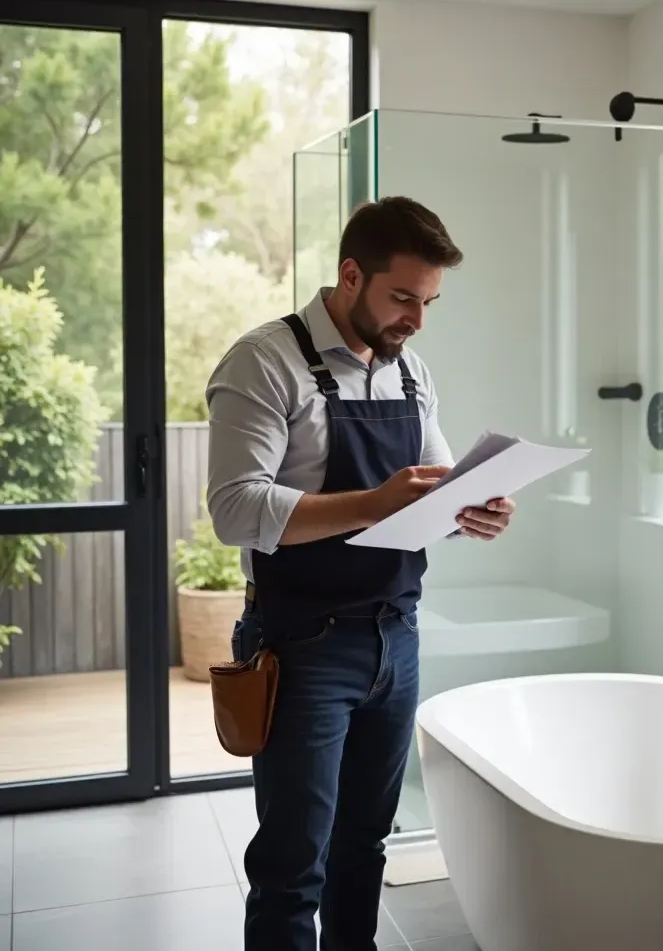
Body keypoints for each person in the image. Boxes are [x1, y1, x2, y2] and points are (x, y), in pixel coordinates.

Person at [205, 196, 515, 951]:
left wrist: (472, 509)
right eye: (404, 297)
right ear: (351, 275)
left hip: (395, 637)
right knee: (291, 864)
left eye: (429, 301)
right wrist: (373, 504)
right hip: (303, 645)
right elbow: (235, 509)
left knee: (364, 847)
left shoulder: (410, 373)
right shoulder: (265, 361)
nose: (417, 319)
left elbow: (434, 485)